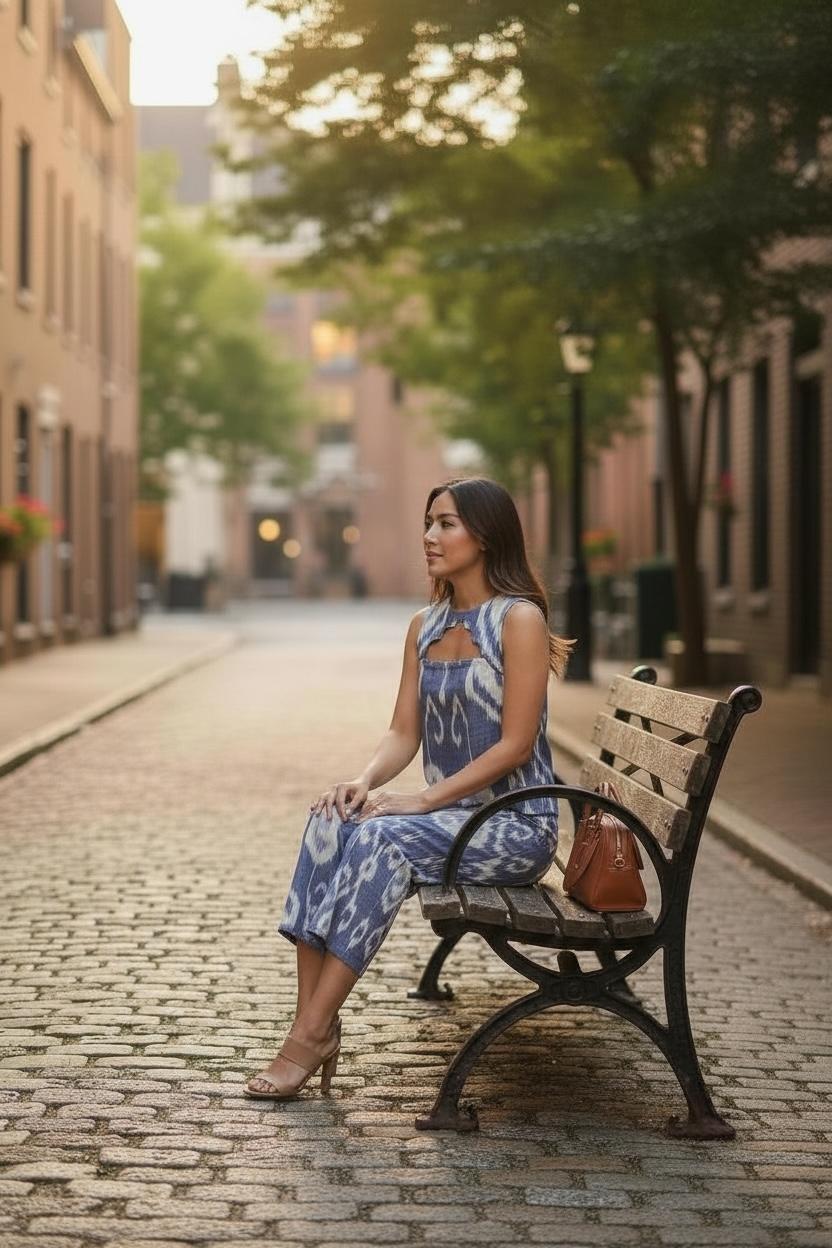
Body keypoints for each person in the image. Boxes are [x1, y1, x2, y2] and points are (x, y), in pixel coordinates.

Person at [244, 476, 573, 1099]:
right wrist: (363, 781)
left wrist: (419, 800)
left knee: (383, 842)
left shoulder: (519, 619)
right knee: (331, 819)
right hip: (448, 823)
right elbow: (403, 731)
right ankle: (314, 1022)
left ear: (486, 534)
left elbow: (516, 745)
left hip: (510, 825)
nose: (430, 536)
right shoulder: (424, 625)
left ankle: (309, 1037)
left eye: (447, 523)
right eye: (429, 522)